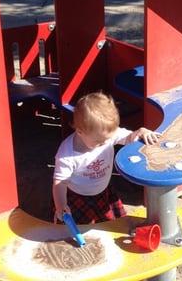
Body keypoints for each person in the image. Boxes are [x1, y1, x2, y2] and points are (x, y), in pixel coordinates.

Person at [52, 92, 160, 224]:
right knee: (83, 229)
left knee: (110, 223)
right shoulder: (67, 154)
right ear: (80, 132)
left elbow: (129, 138)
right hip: (78, 195)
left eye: (108, 139)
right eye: (99, 141)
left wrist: (140, 132)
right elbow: (60, 183)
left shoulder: (106, 136)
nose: (105, 143)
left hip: (103, 190)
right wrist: (61, 205)